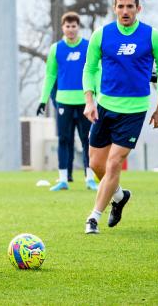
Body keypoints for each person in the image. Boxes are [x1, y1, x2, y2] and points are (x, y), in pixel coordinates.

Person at [82, 0, 158, 234]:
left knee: (113, 164)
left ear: (138, 9)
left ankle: (93, 217)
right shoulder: (102, 35)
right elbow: (89, 69)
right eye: (120, 6)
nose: (125, 11)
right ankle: (119, 196)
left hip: (135, 111)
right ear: (114, 9)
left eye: (130, 6)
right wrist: (90, 101)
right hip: (105, 107)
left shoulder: (153, 37)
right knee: (96, 164)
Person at [36, 12, 97, 191]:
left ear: (78, 27)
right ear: (63, 28)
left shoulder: (88, 46)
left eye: (74, 26)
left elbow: (96, 71)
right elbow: (50, 75)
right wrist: (43, 99)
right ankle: (63, 179)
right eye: (67, 26)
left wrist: (97, 97)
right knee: (64, 139)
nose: (70, 29)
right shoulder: (56, 49)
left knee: (88, 140)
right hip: (63, 102)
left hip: (85, 101)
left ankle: (90, 179)